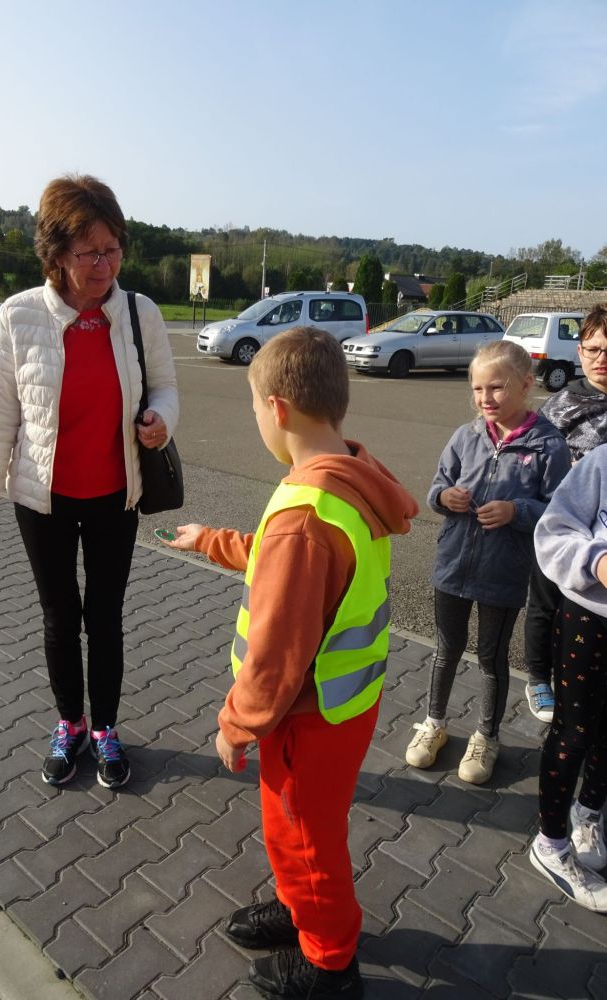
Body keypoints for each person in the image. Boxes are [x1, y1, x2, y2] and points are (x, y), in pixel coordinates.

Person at [160, 327, 418, 1000]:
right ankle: (296, 906)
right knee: (300, 831)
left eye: (253, 406)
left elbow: (276, 653)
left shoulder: (306, 514)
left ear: (276, 408)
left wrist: (234, 724)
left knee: (305, 839)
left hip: (306, 716)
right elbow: (285, 565)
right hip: (343, 707)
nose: (255, 418)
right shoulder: (343, 478)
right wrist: (211, 540)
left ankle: (330, 963)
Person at [0, 175, 179, 790]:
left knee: (105, 617)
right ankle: (69, 722)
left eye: (112, 249)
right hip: (41, 500)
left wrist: (162, 419)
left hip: (115, 495)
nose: (104, 265)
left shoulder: (139, 312)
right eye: (89, 253)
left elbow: (165, 387)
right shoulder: (18, 316)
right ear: (55, 255)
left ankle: (104, 728)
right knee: (59, 616)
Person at [405, 340, 571, 784]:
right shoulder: (466, 435)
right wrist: (445, 497)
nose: (485, 398)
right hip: (452, 565)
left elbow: (559, 513)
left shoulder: (549, 445)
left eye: (496, 387)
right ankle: (434, 723)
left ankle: (486, 736)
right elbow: (436, 488)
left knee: (490, 657)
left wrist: (517, 511)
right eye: (478, 389)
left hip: (503, 573)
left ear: (526, 385)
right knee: (446, 648)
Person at [529, 444, 607, 911]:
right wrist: (597, 561)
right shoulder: (601, 462)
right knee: (573, 734)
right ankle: (551, 845)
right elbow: (553, 531)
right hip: (589, 618)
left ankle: (589, 812)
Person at [524, 303, 607, 723]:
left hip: (602, 533)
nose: (601, 358)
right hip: (560, 525)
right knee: (545, 601)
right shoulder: (562, 404)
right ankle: (539, 676)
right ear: (579, 352)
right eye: (593, 349)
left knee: (587, 611)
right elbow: (530, 459)